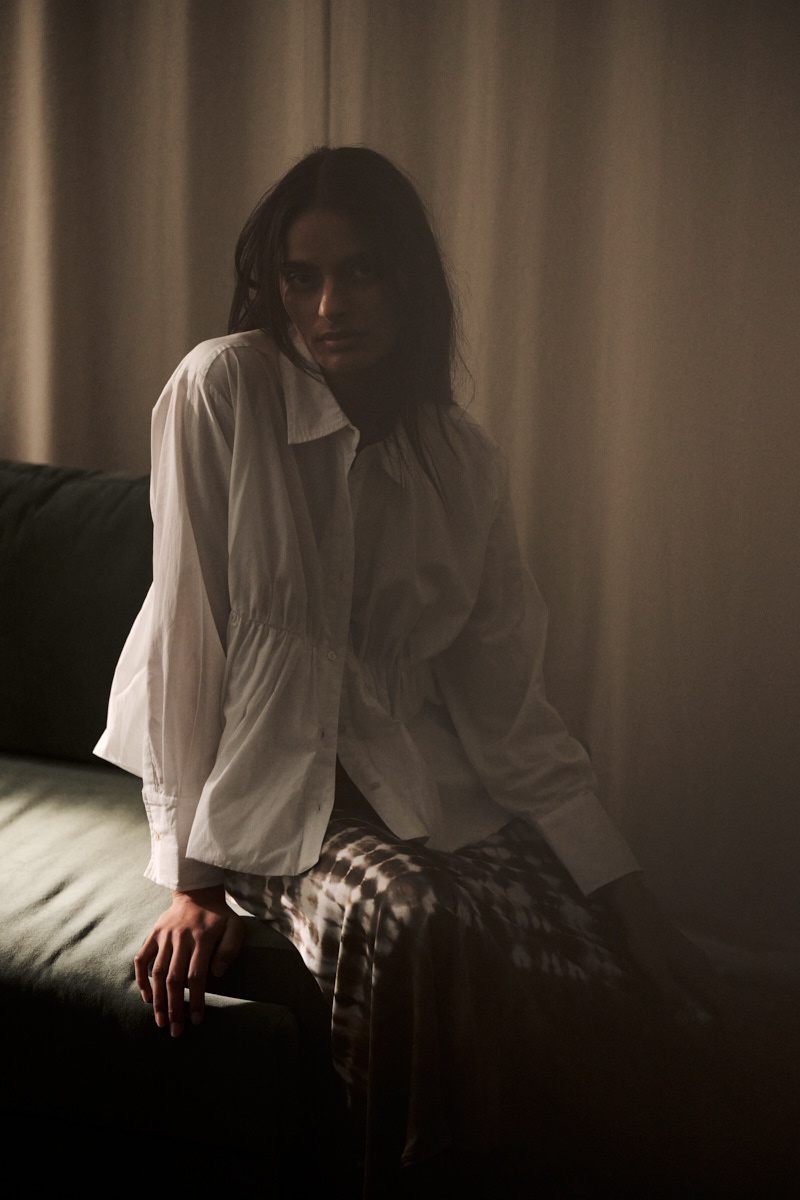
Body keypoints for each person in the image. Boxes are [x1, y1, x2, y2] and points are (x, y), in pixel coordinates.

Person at [96, 146, 746, 1196]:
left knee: (593, 967)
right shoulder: (223, 391)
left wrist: (629, 897)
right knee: (412, 923)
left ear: (407, 280)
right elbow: (186, 640)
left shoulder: (458, 459)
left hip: (424, 788)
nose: (328, 306)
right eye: (301, 277)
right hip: (265, 797)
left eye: (359, 271)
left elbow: (505, 704)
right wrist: (192, 882)